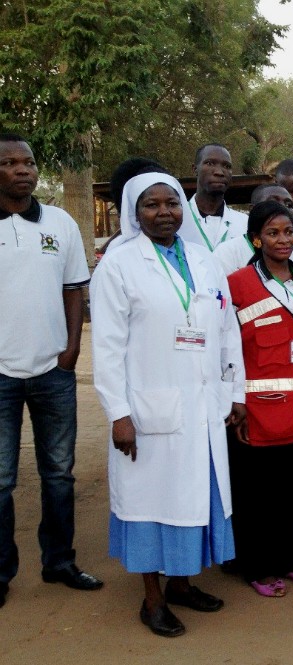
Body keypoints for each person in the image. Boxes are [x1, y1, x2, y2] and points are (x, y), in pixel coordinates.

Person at [91, 171, 245, 637]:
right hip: (148, 408)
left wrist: (233, 391)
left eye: (172, 203)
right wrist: (118, 413)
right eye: (151, 205)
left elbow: (227, 328)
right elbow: (108, 348)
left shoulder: (203, 259)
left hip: (203, 405)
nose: (164, 213)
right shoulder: (118, 265)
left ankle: (181, 584)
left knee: (195, 495)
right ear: (134, 213)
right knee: (152, 501)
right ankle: (152, 598)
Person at [0, 133, 102, 610]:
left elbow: (74, 289)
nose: (23, 170)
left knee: (59, 474)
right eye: (11, 163)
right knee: (1, 480)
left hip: (52, 372)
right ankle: (2, 571)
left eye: (29, 162)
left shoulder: (58, 222)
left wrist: (71, 351)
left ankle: (59, 562)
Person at [227, 200, 293, 597]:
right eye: (273, 233)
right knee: (258, 494)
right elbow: (229, 350)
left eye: (288, 232)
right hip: (258, 410)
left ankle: (290, 559)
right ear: (256, 238)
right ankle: (257, 566)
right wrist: (234, 402)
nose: (283, 239)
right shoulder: (237, 284)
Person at [214, 184, 293, 275]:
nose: (282, 208)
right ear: (253, 209)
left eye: (289, 205)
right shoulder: (226, 252)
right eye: (273, 203)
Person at [185, 144, 248, 252]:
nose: (219, 172)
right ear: (195, 169)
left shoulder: (245, 223)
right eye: (210, 163)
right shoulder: (179, 219)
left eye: (227, 166)